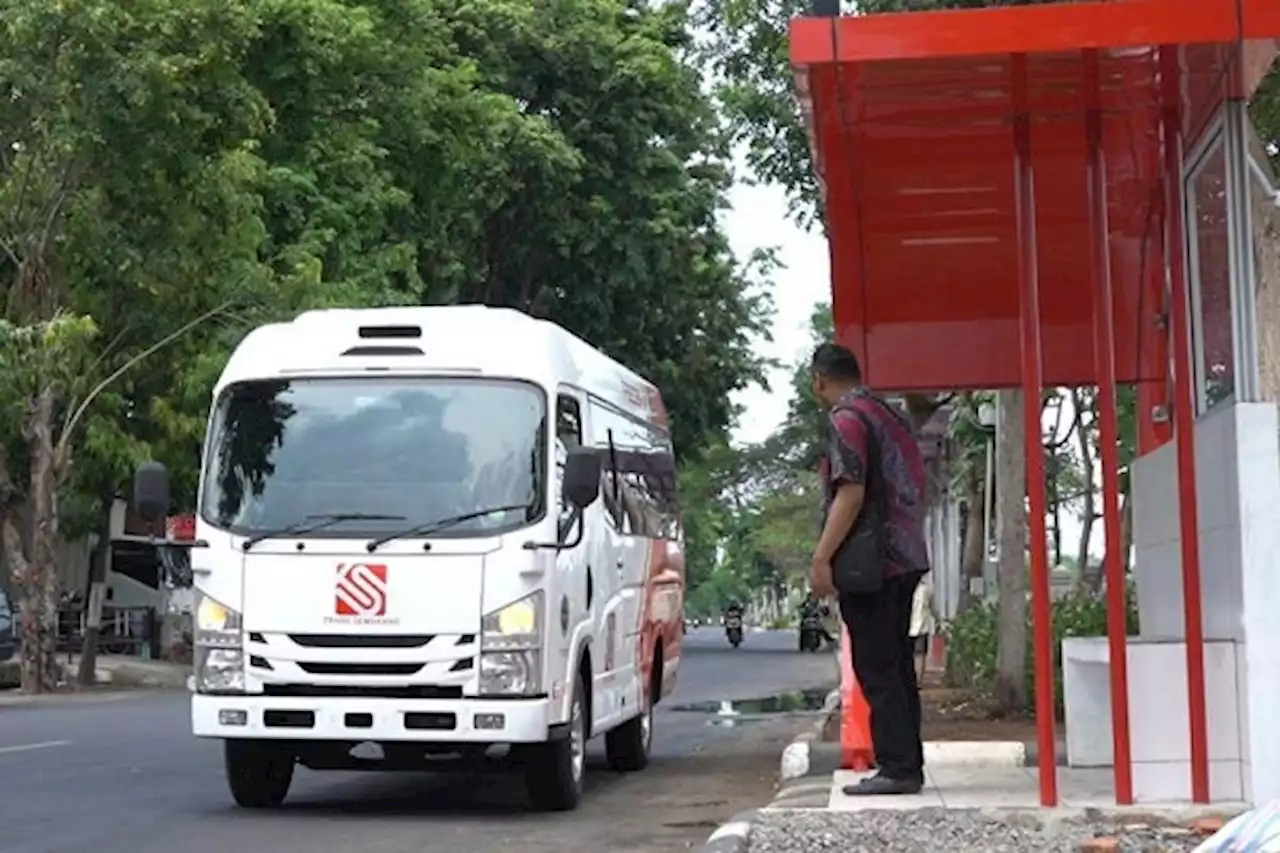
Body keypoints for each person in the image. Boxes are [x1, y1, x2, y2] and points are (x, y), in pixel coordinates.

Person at [807, 342, 930, 796]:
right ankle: (904, 762)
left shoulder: (847, 418)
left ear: (819, 379)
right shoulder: (888, 413)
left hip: (873, 563)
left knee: (877, 666)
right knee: (896, 665)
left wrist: (821, 558)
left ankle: (898, 768)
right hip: (906, 555)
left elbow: (851, 492)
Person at [909, 576, 938, 683]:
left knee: (908, 654)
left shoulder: (904, 589)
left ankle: (909, 679)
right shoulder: (926, 589)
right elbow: (933, 607)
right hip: (922, 626)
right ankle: (918, 680)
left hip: (907, 626)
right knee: (920, 654)